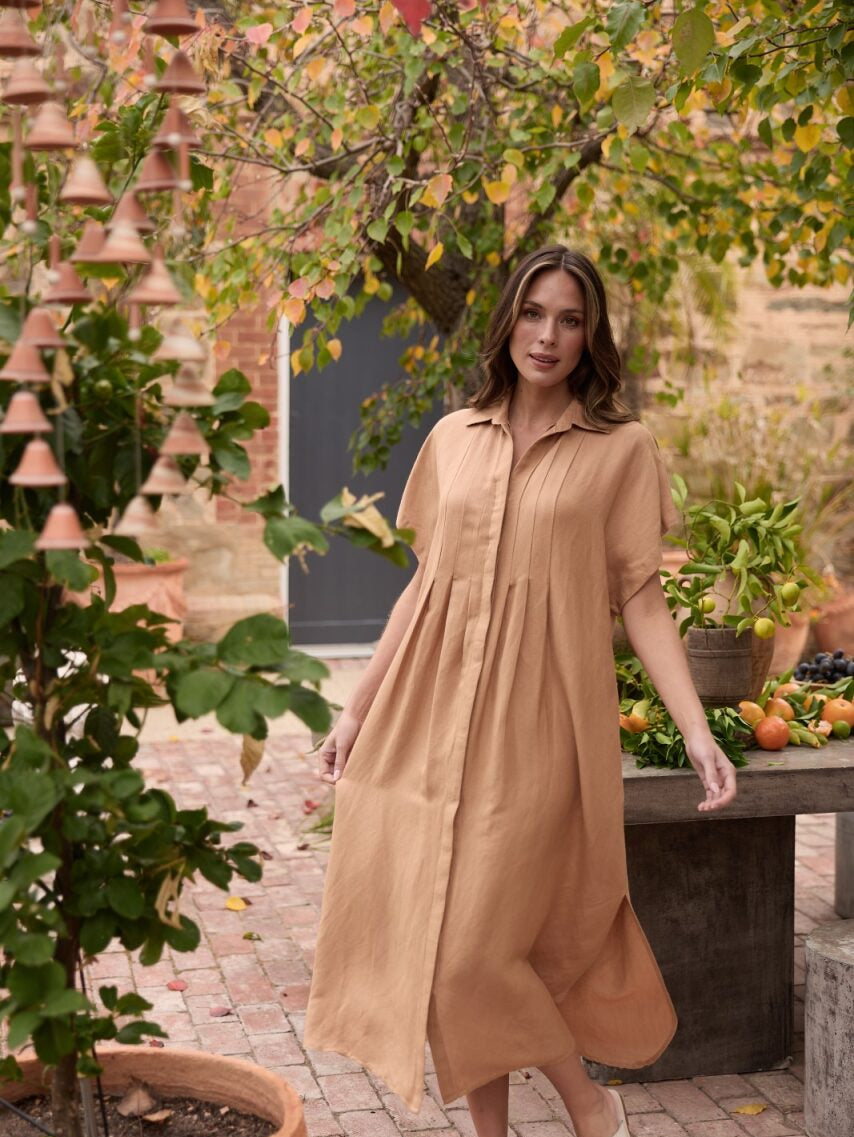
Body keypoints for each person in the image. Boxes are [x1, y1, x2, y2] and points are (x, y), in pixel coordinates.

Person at [302, 245, 738, 1137]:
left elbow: (642, 599)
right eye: (534, 313)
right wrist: (355, 711)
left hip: (543, 723)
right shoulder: (453, 438)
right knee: (438, 935)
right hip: (430, 710)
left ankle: (590, 1103)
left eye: (570, 320)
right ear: (508, 322)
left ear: (590, 337)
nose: (548, 335)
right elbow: (423, 589)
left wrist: (696, 729)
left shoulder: (621, 449)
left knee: (472, 952)